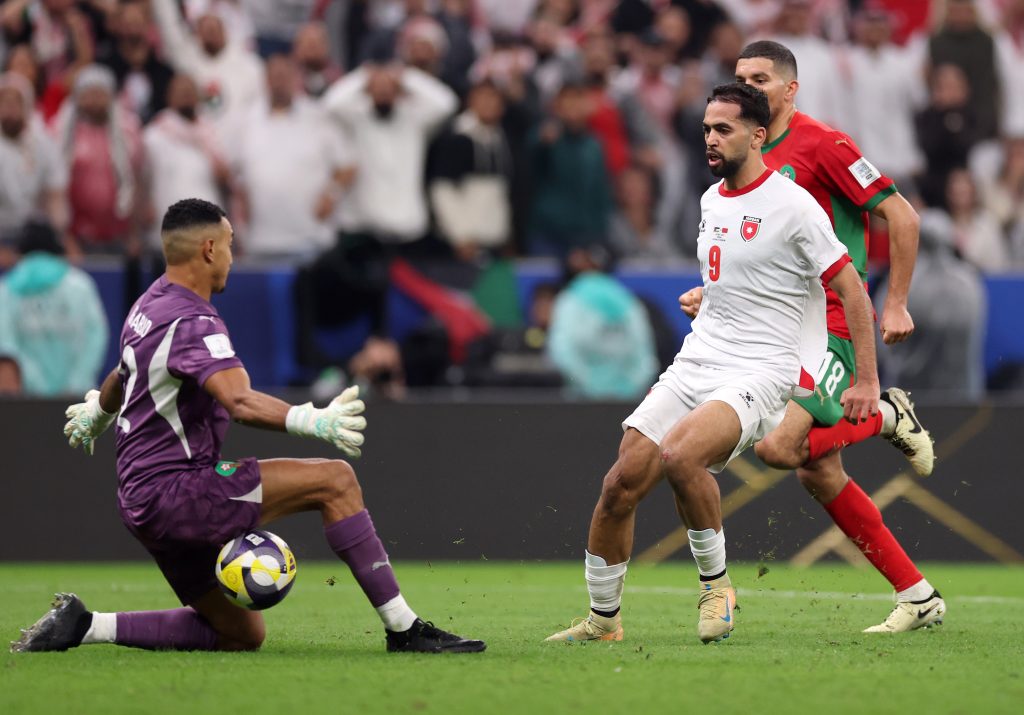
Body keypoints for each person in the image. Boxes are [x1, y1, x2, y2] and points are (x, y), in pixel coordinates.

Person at [11, 198, 484, 655]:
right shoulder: (194, 320)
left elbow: (121, 373)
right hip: (177, 493)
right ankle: (404, 629)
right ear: (209, 249)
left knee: (239, 633)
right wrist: (310, 418)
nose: (234, 258)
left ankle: (85, 625)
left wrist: (99, 412)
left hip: (139, 499)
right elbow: (237, 399)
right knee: (335, 481)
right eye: (231, 244)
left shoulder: (147, 305)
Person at [547, 83, 879, 645]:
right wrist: (708, 294)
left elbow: (851, 291)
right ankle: (603, 622)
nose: (711, 138)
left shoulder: (795, 206)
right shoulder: (710, 199)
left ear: (756, 135)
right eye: (706, 128)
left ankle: (717, 587)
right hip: (701, 355)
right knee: (620, 483)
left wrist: (867, 377)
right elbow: (743, 276)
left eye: (723, 129)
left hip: (762, 368)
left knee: (681, 456)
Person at [683, 40, 941, 633]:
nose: (750, 85)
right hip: (776, 329)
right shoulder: (740, 155)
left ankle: (883, 415)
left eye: (762, 78)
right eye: (741, 75)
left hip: (829, 326)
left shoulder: (825, 145)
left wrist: (894, 301)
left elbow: (901, 216)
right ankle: (918, 594)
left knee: (780, 451)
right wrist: (714, 295)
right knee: (817, 471)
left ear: (790, 89)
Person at [0, 220, 108, 396]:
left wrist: (34, 385)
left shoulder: (6, 289)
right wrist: (78, 382)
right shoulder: (81, 285)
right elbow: (96, 337)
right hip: (78, 402)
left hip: (26, 405)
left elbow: (6, 345)